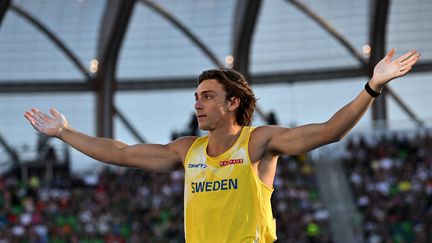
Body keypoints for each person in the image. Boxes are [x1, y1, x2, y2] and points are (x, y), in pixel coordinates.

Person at [24, 48, 420, 242]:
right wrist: (63, 133)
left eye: (208, 96)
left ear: (233, 103)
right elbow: (121, 153)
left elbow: (330, 131)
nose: (198, 102)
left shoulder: (259, 142)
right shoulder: (186, 150)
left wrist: (372, 87)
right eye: (197, 96)